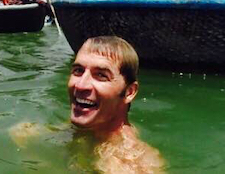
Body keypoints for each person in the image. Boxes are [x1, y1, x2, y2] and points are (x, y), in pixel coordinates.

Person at [68, 36, 164, 172]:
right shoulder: (90, 128)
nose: (81, 85)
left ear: (129, 92)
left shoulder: (126, 161)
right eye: (78, 70)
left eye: (101, 75)